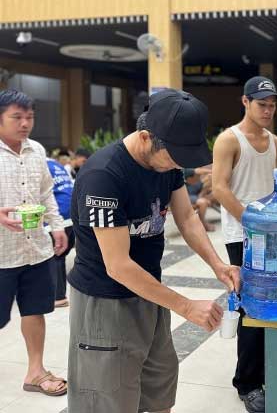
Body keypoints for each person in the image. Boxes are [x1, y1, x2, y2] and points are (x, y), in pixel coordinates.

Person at [67, 89, 240, 413]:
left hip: (150, 293)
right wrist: (187, 307)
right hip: (105, 302)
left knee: (159, 391)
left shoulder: (168, 163)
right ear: (146, 137)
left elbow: (187, 217)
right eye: (174, 157)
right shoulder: (104, 176)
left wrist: (218, 264)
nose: (178, 165)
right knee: (109, 400)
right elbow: (117, 266)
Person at [212, 76, 277, 413]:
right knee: (251, 307)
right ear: (245, 102)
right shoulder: (229, 140)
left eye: (271, 105)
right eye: (261, 104)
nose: (267, 110)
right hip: (243, 236)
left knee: (274, 303)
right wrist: (252, 221)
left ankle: (268, 371)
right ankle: (248, 384)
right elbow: (220, 188)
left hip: (273, 234)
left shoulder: (276, 142)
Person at [0, 89, 69, 397]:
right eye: (17, 117)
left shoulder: (37, 150)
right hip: (1, 254)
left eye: (29, 117)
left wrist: (57, 227)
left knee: (34, 309)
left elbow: (46, 194)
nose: (25, 123)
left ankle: (35, 372)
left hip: (35, 249)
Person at [46, 154, 76, 308]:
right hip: (71, 215)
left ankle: (58, 296)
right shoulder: (55, 164)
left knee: (54, 255)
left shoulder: (36, 164)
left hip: (58, 217)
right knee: (59, 256)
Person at [184, 166, 216, 232]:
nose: (199, 177)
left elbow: (198, 171)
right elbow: (197, 171)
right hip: (188, 195)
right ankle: (203, 224)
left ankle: (201, 196)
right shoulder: (185, 170)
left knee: (215, 193)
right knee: (203, 202)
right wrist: (212, 171)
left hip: (196, 192)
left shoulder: (196, 181)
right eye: (197, 176)